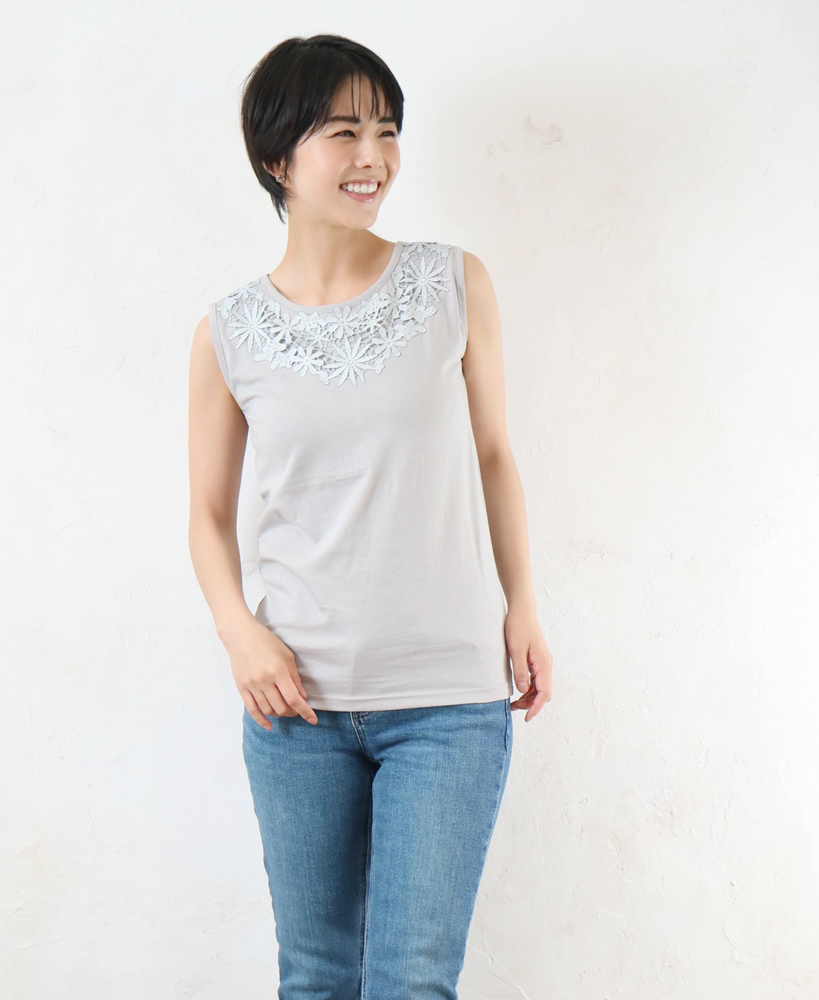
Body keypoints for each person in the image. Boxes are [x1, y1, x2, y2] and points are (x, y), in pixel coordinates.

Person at [188, 33, 553, 1000]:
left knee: (411, 982)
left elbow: (494, 456)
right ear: (278, 158)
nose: (374, 157)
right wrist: (240, 634)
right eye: (344, 131)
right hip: (295, 708)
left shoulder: (453, 284)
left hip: (446, 703)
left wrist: (522, 604)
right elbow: (207, 514)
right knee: (314, 978)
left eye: (387, 130)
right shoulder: (228, 334)